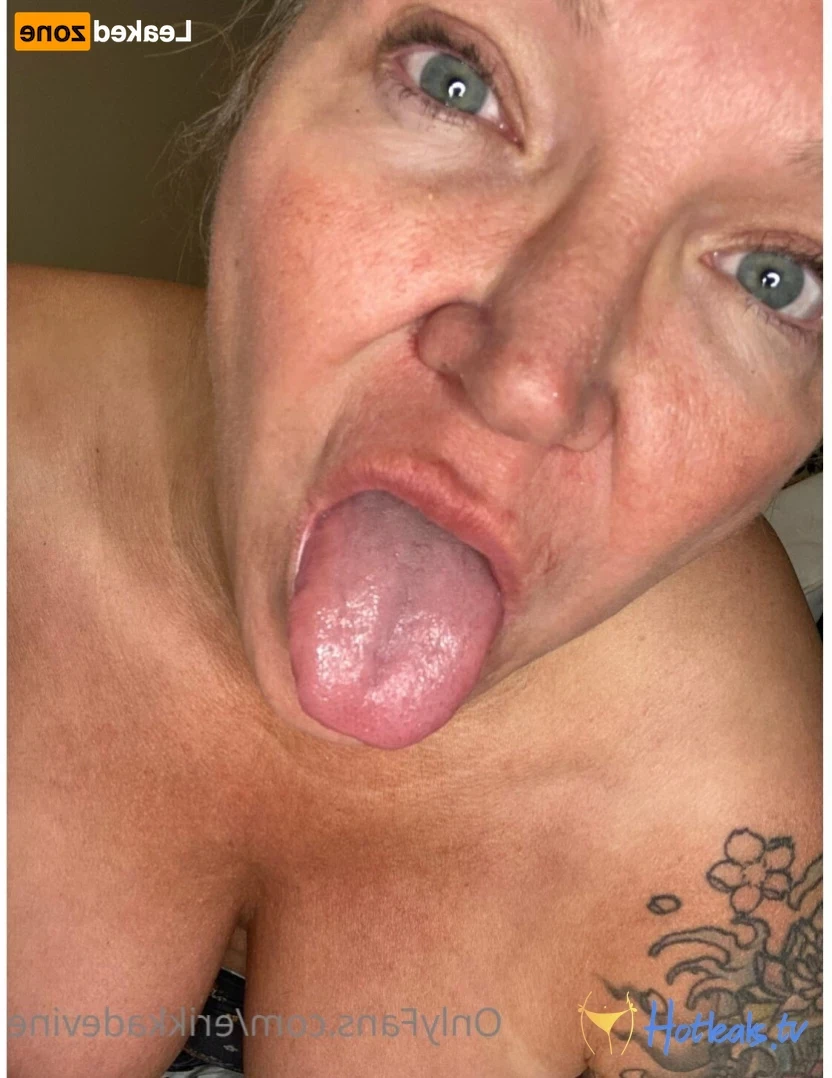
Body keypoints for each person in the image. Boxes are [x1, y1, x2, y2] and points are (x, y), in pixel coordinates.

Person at [8, 0, 822, 1075]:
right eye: (457, 83)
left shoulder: (753, 849)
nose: (531, 380)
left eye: (778, 278)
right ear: (270, 59)